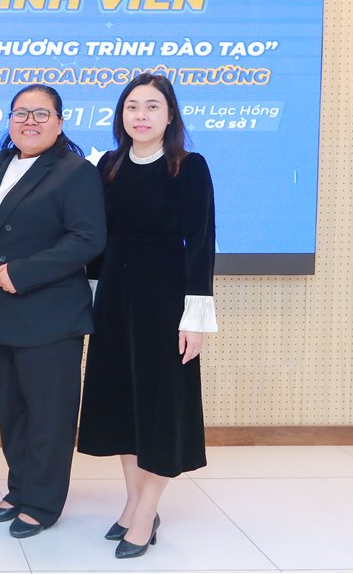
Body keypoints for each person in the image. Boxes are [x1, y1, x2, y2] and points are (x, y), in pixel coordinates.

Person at [77, 72, 217, 559]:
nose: (141, 115)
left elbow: (201, 243)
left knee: (159, 409)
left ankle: (145, 513)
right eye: (132, 106)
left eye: (152, 106)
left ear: (170, 114)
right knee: (123, 406)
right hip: (115, 301)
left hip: (166, 304)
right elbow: (98, 241)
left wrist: (195, 317)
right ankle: (135, 503)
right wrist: (91, 298)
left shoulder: (189, 167)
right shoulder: (109, 165)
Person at [0, 84, 106, 538]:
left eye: (41, 114)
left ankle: (43, 503)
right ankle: (20, 488)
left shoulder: (76, 172)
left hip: (50, 314)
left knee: (49, 416)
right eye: (21, 113)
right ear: (9, 120)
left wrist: (23, 272)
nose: (30, 121)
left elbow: (88, 238)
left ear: (60, 122)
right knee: (13, 411)